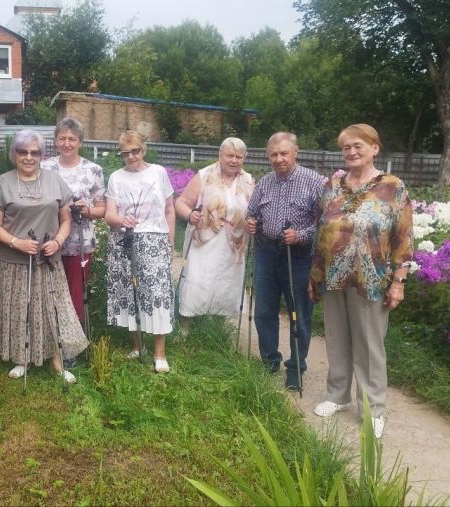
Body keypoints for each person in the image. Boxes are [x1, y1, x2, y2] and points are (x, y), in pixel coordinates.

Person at [309, 124, 413, 439]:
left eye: (358, 146)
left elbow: (404, 237)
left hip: (372, 279)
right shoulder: (332, 184)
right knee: (337, 338)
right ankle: (337, 396)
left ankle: (372, 408)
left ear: (374, 148)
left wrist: (399, 281)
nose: (352, 152)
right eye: (346, 148)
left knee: (369, 344)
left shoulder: (392, 186)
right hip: (333, 275)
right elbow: (320, 230)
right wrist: (314, 275)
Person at [0, 129, 89, 382]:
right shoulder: (3, 181)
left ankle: (56, 361)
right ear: (14, 154)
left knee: (51, 310)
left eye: (34, 153)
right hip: (14, 260)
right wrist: (16, 243)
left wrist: (57, 241)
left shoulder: (54, 180)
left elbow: (66, 219)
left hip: (48, 259)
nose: (28, 157)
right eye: (22, 152)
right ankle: (21, 358)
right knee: (19, 309)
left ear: (41, 155)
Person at [245, 133, 326, 390]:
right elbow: (252, 213)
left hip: (299, 257)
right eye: (274, 154)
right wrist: (251, 223)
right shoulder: (265, 182)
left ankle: (296, 368)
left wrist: (300, 235)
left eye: (284, 153)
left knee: (298, 315)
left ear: (295, 152)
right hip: (267, 253)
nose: (279, 159)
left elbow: (326, 224)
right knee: (263, 312)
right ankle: (269, 361)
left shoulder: (315, 182)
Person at [104, 131, 175, 373]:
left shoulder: (158, 173)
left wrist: (170, 243)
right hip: (125, 240)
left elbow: (170, 211)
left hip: (155, 240)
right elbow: (109, 215)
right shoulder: (115, 177)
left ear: (144, 149)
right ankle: (137, 347)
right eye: (125, 153)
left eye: (135, 151)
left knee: (156, 294)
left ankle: (160, 352)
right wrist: (121, 219)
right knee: (129, 293)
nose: (131, 156)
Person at [174, 137, 254, 327]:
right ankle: (185, 326)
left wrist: (253, 222)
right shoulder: (204, 175)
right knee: (197, 280)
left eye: (239, 157)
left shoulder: (248, 180)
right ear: (220, 155)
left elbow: (254, 210)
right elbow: (181, 203)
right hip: (204, 241)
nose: (234, 160)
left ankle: (217, 329)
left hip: (233, 244)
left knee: (225, 284)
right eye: (230, 156)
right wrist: (190, 215)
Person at [40, 117, 106, 341]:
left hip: (80, 241)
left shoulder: (93, 170)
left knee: (75, 292)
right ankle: (50, 336)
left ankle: (72, 342)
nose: (67, 143)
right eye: (62, 138)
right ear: (55, 142)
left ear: (80, 141)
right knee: (50, 289)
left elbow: (102, 209)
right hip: (50, 239)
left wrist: (86, 210)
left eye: (72, 139)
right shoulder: (44, 167)